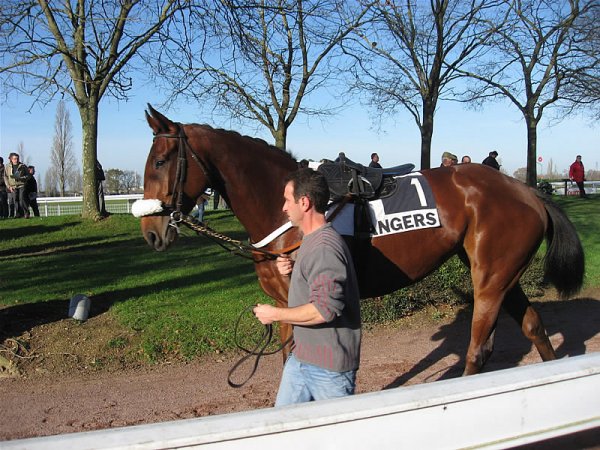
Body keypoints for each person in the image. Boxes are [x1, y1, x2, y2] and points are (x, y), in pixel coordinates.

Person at [253, 168, 361, 407]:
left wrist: (275, 314)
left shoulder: (324, 247)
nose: (283, 207)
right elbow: (318, 277)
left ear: (304, 202)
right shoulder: (311, 240)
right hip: (301, 358)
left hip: (328, 370)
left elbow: (324, 310)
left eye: (287, 200)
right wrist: (295, 267)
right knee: (284, 429)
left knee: (337, 437)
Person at [3, 152, 30, 218]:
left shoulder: (23, 166)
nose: (16, 160)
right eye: (15, 159)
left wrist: (21, 178)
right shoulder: (7, 167)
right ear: (11, 159)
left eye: (17, 159)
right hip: (12, 186)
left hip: (21, 185)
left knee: (21, 199)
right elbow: (5, 177)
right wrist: (9, 186)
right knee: (15, 200)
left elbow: (28, 176)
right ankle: (18, 214)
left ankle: (26, 213)